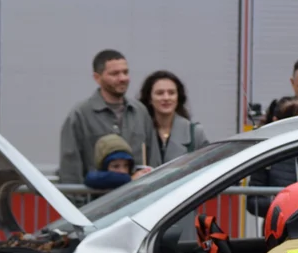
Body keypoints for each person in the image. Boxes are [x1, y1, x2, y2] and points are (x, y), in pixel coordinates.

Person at [58, 50, 155, 185]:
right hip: (97, 203)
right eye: (115, 73)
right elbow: (70, 169)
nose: (123, 78)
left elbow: (153, 158)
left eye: (125, 72)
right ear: (97, 78)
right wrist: (78, 204)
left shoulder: (140, 112)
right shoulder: (80, 114)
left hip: (138, 202)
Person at [138, 70, 208, 164]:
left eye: (171, 93)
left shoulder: (195, 134)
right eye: (160, 93)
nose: (166, 98)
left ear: (178, 98)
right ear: (150, 99)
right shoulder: (139, 132)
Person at [84, 134, 150, 190]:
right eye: (115, 166)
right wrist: (130, 179)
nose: (122, 171)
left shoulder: (135, 174)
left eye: (126, 165)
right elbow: (91, 178)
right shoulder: (97, 178)